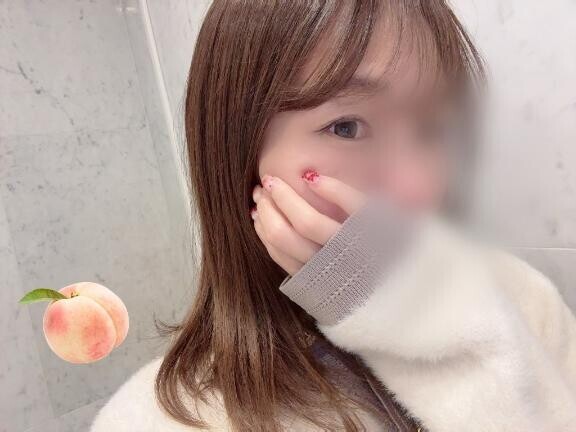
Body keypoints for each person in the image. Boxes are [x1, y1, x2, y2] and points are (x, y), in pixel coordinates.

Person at [91, 1, 576, 431]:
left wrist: (431, 327)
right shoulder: (158, 419)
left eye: (432, 128)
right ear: (236, 156)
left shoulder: (522, 300)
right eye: (346, 127)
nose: (419, 188)